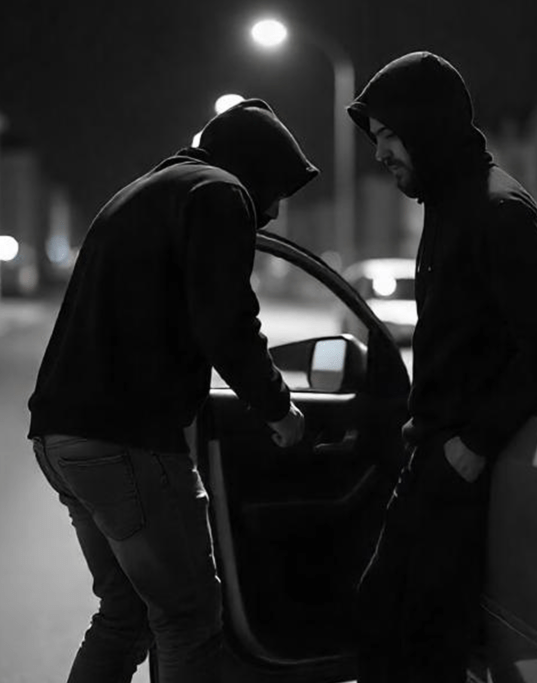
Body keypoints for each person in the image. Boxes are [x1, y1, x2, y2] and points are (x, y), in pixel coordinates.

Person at [27, 98, 318, 683]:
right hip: (126, 440)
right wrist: (278, 409)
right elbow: (227, 323)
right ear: (255, 167)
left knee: (125, 614)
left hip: (61, 436)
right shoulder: (219, 194)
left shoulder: (146, 191)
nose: (277, 211)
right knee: (187, 617)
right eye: (279, 190)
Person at [347, 52, 537, 683]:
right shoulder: (448, 203)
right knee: (383, 622)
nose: (381, 154)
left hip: (461, 467)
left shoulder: (497, 211)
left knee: (425, 643)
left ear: (427, 126)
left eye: (390, 136)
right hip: (431, 456)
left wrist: (473, 444)